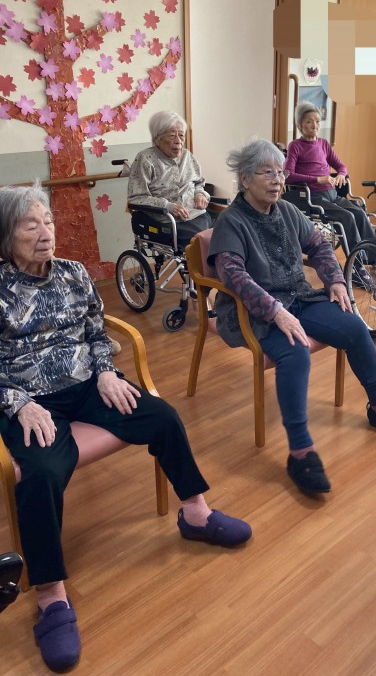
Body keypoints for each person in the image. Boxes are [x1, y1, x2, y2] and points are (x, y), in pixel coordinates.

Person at [0, 184, 251, 672]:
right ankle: (50, 595)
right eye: (31, 225)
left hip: (87, 383)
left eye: (48, 221)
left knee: (163, 417)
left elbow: (96, 331)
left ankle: (196, 514)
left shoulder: (73, 273)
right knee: (41, 475)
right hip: (29, 399)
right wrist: (17, 403)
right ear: (7, 236)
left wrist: (106, 372)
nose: (46, 232)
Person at [208, 139, 376, 496]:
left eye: (280, 172)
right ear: (245, 179)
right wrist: (275, 311)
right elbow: (233, 276)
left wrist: (335, 279)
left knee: (354, 327)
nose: (277, 180)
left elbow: (319, 245)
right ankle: (300, 452)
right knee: (295, 352)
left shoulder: (286, 210)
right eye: (267, 173)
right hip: (254, 312)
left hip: (299, 297)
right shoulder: (231, 221)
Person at [284, 102, 376, 261]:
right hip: (312, 197)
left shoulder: (323, 144)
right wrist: (318, 179)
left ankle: (375, 258)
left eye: (317, 121)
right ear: (299, 125)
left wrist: (341, 174)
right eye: (309, 121)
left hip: (332, 194)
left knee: (360, 213)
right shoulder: (295, 146)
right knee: (347, 217)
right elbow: (288, 175)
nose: (314, 125)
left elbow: (341, 166)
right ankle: (357, 264)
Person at [127, 110, 212, 248]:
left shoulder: (187, 156)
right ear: (157, 138)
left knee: (222, 233)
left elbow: (198, 183)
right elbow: (136, 198)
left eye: (181, 135)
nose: (178, 141)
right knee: (200, 243)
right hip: (167, 220)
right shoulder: (145, 159)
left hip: (197, 215)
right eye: (172, 136)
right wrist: (168, 206)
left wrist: (200, 194)